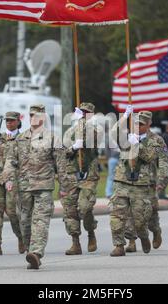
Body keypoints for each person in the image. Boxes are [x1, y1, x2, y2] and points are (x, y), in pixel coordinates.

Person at [4, 104, 60, 269]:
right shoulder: (20, 139)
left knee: (40, 221)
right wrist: (8, 177)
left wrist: (64, 186)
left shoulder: (52, 138)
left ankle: (36, 252)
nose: (34, 118)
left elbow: (61, 165)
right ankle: (30, 251)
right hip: (24, 187)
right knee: (25, 222)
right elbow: (11, 161)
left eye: (37, 115)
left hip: (44, 186)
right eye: (31, 115)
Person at [109, 107, 162, 256]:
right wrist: (124, 117)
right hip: (122, 181)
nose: (138, 126)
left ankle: (144, 236)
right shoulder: (127, 137)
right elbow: (113, 133)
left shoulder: (155, 141)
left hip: (140, 185)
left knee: (139, 220)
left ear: (148, 125)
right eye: (136, 123)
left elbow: (150, 157)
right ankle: (119, 245)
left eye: (141, 124)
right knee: (116, 216)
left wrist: (137, 144)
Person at [62, 103, 103, 255]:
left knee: (85, 207)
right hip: (72, 174)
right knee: (70, 209)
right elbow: (64, 150)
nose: (84, 114)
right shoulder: (70, 131)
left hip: (89, 175)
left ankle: (91, 232)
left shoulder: (96, 129)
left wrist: (82, 124)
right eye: (82, 112)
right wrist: (73, 148)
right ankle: (75, 242)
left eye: (87, 113)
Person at [0, 111, 25, 256]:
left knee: (12, 211)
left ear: (18, 121)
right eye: (7, 120)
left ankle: (21, 238)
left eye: (12, 120)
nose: (9, 123)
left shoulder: (23, 138)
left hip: (14, 180)